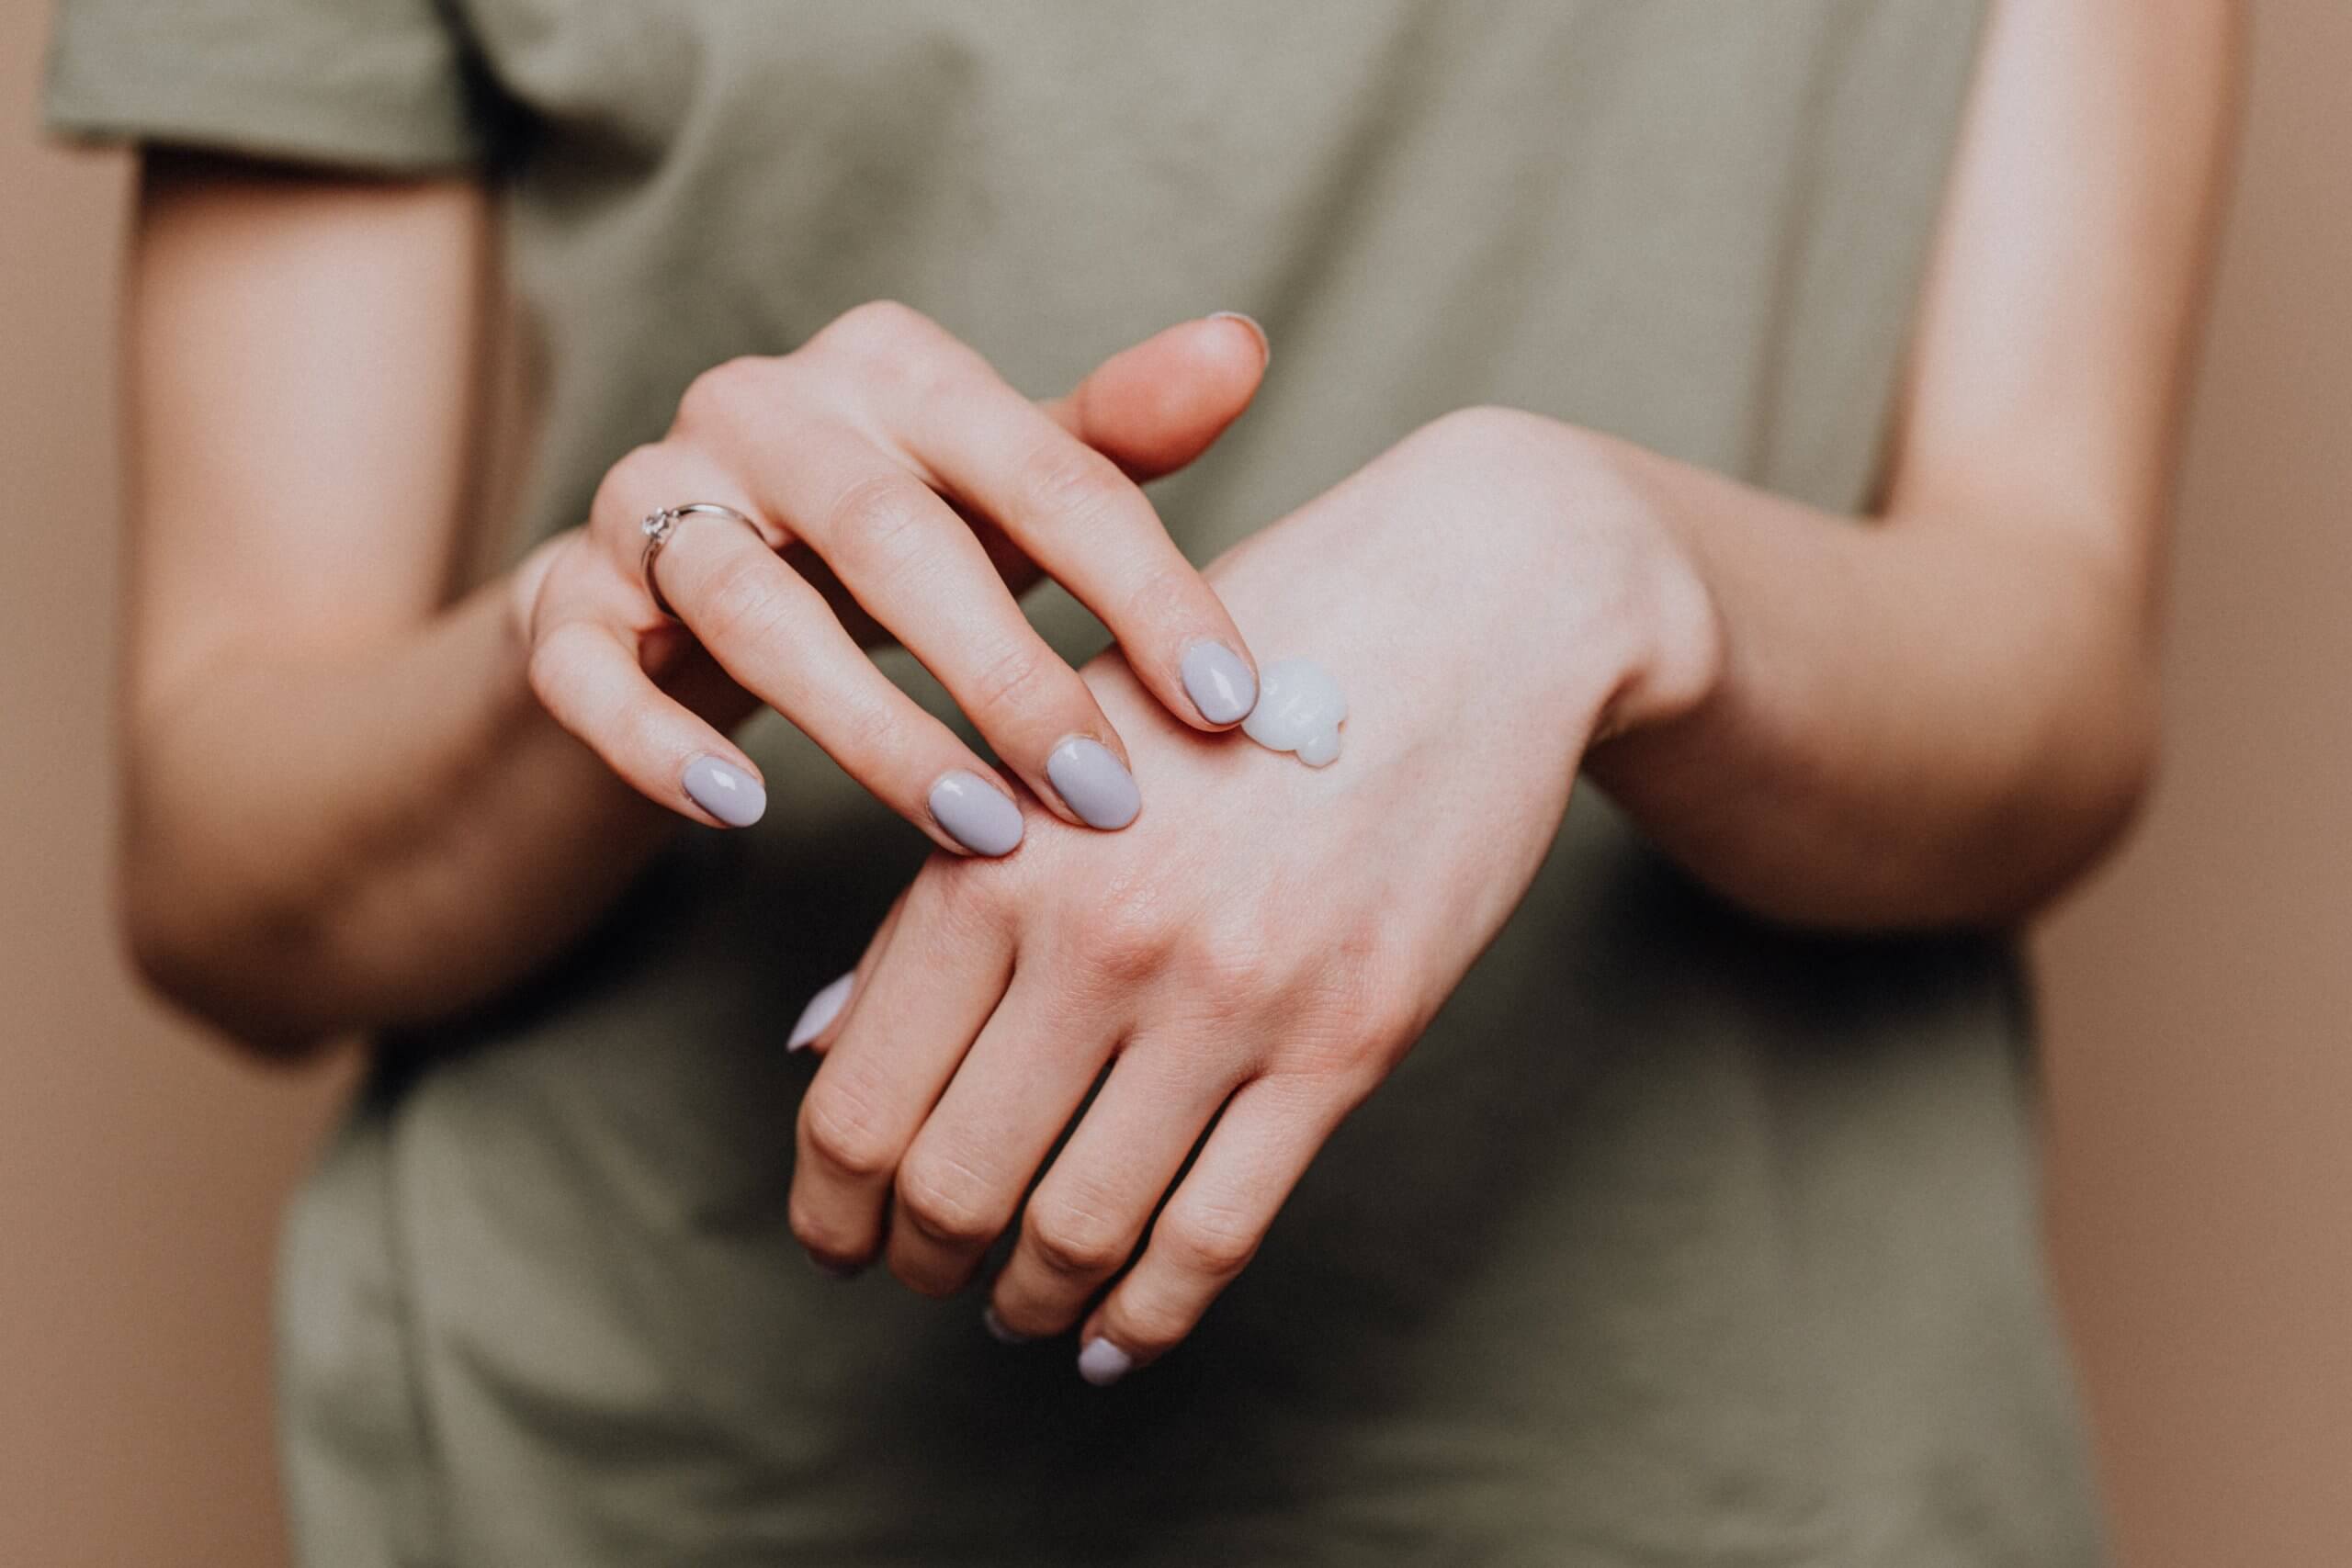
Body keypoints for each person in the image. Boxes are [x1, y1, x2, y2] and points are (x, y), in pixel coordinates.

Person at [46, 0, 2238, 1561]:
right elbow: (227, 866)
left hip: (1723, 1455)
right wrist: (645, 636)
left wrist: (1597, 569)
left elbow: (2045, 685)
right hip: (652, 1462)